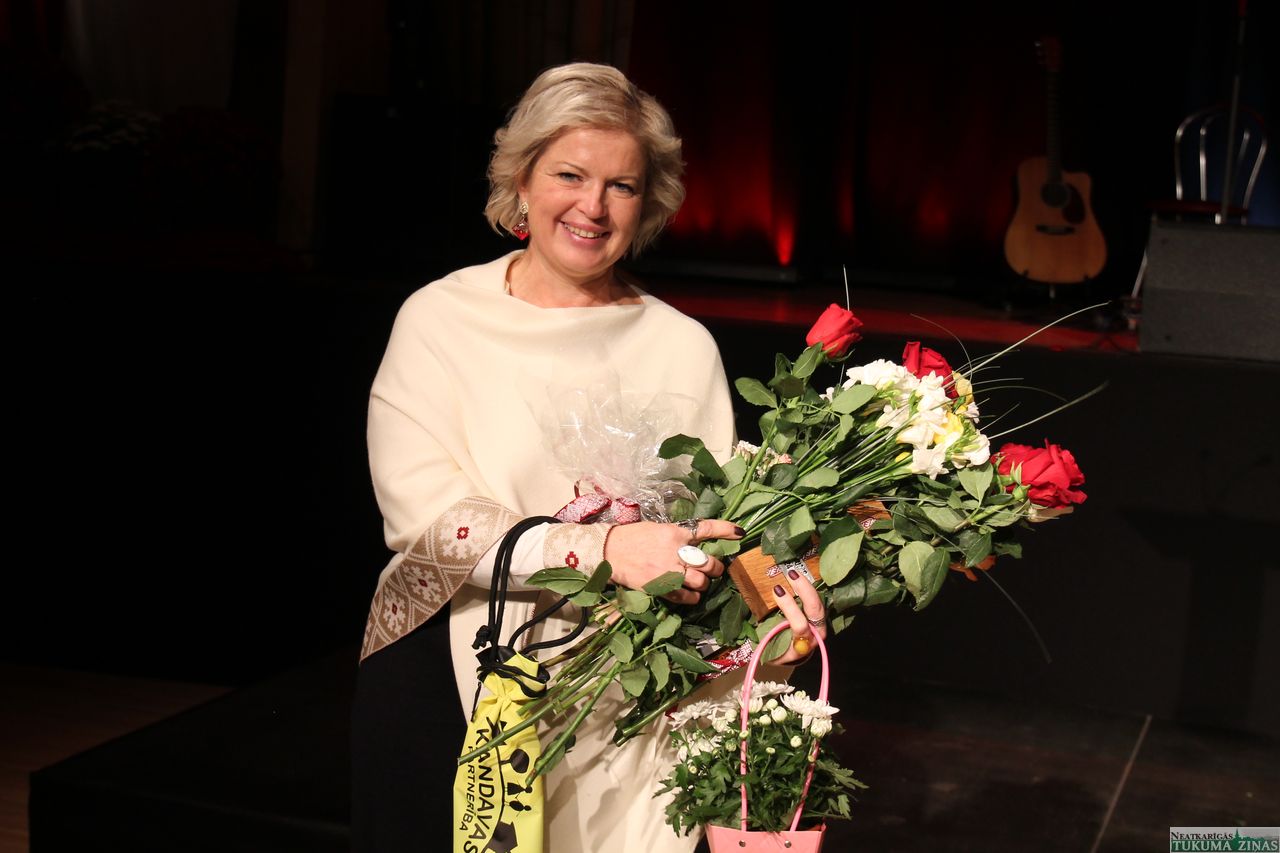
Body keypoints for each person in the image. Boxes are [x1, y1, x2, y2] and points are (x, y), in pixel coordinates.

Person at [351, 62, 827, 853]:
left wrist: (779, 578)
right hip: (449, 676)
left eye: (622, 186)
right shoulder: (438, 319)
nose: (593, 207)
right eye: (570, 175)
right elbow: (423, 519)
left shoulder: (681, 345)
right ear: (522, 179)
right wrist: (601, 548)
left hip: (633, 695)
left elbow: (720, 525)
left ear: (649, 203)